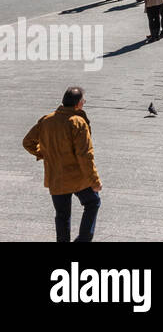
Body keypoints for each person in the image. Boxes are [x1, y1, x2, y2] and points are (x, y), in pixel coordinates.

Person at [23, 86, 102, 242]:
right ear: (78, 103)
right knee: (93, 202)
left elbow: (27, 142)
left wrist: (44, 154)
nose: (84, 102)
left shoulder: (47, 120)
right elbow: (85, 154)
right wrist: (95, 181)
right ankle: (84, 239)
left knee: (62, 215)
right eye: (83, 100)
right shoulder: (77, 122)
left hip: (56, 177)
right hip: (78, 177)